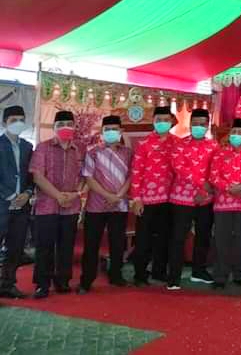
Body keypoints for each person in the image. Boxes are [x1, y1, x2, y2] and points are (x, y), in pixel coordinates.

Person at [29, 110, 85, 299]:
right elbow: (37, 176)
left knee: (66, 246)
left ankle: (62, 281)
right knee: (44, 246)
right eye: (60, 124)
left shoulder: (80, 149)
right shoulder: (43, 147)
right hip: (47, 206)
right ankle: (42, 284)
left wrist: (75, 194)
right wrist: (58, 196)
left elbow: (84, 176)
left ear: (74, 127)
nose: (65, 127)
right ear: (54, 127)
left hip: (71, 206)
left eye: (69, 124)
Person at [78, 116, 132, 294]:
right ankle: (86, 280)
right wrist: (109, 195)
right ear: (102, 132)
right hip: (96, 206)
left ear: (121, 131)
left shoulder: (128, 153)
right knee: (91, 244)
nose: (111, 132)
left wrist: (119, 195)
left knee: (118, 243)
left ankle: (116, 276)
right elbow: (89, 178)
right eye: (107, 129)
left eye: (114, 129)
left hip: (119, 205)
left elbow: (131, 176)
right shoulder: (92, 152)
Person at [167, 108, 219, 290]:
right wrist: (201, 185)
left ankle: (199, 271)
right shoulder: (179, 145)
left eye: (202, 124)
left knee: (203, 236)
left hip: (205, 199)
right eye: (195, 124)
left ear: (207, 125)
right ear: (190, 125)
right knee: (178, 237)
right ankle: (174, 276)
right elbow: (179, 168)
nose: (198, 127)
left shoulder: (214, 146)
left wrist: (204, 191)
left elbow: (216, 170)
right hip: (181, 198)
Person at [129, 105, 179, 286]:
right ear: (153, 121)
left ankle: (159, 271)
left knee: (164, 237)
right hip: (147, 199)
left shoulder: (178, 143)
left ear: (171, 122)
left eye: (166, 120)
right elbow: (136, 171)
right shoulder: (144, 143)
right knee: (143, 239)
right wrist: (136, 198)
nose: (162, 123)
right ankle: (140, 274)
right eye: (159, 120)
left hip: (170, 199)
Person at [209, 118, 241, 289]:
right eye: (234, 132)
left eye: (240, 132)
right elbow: (213, 176)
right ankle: (220, 276)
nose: (236, 135)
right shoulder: (219, 153)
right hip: (223, 203)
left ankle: (239, 274)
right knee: (222, 239)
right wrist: (229, 188)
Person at [0, 106, 33, 299]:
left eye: (21, 120)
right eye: (13, 120)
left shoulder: (28, 147)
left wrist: (27, 193)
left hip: (22, 206)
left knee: (15, 247)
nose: (18, 123)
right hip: (2, 203)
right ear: (4, 123)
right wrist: (11, 195)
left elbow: (31, 175)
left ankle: (8, 284)